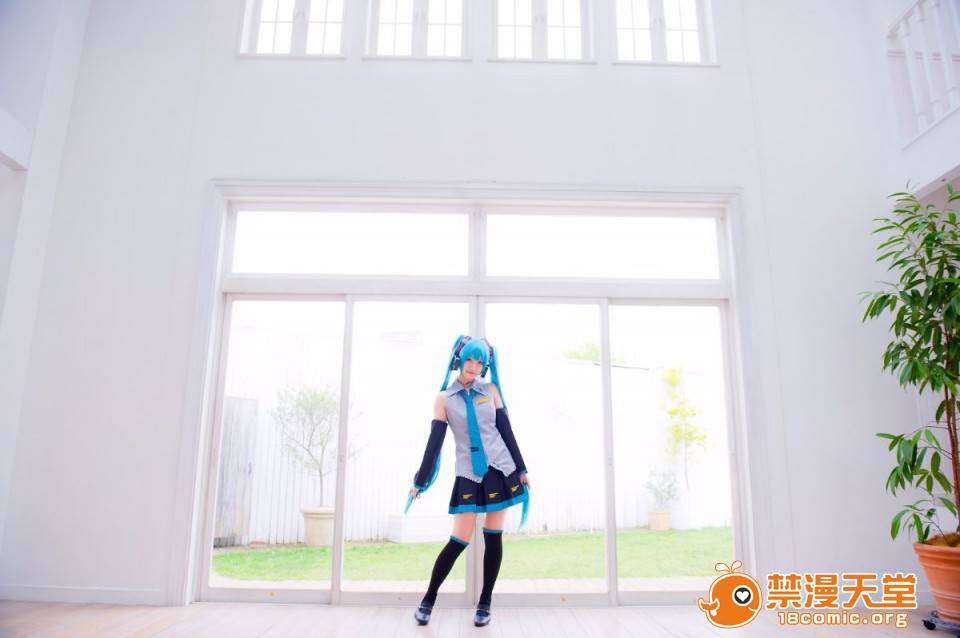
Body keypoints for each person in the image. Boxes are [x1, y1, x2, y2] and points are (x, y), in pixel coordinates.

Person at [407, 335, 530, 628]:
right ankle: (428, 599)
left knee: (493, 536)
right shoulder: (444, 399)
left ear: (485, 365)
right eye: (470, 360)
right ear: (459, 360)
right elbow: (434, 443)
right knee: (458, 540)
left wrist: (522, 468)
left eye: (480, 361)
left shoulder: (491, 391)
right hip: (468, 474)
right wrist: (420, 480)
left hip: (500, 469)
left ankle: (485, 603)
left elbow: (506, 431)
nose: (474, 366)